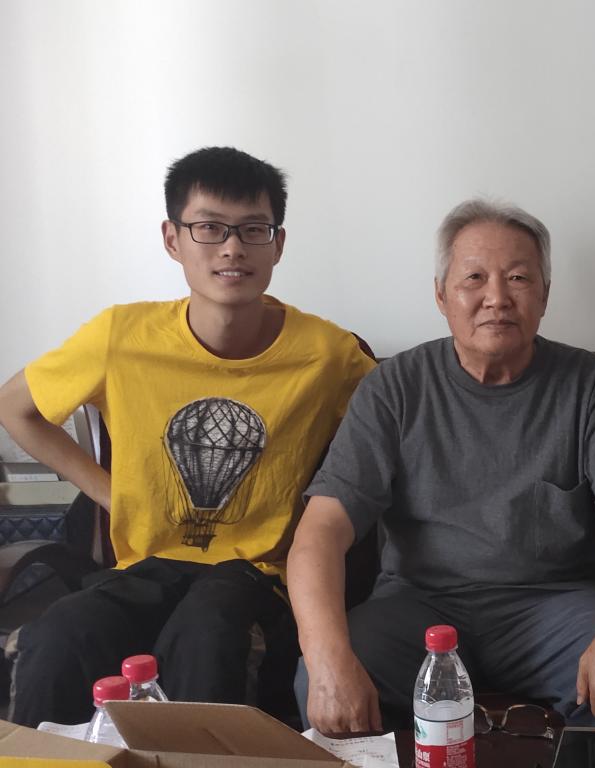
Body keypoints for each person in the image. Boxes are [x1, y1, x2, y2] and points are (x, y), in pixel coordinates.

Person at [0, 146, 375, 727]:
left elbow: (399, 425)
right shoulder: (121, 336)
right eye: (209, 228)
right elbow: (15, 407)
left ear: (277, 244)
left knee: (207, 632)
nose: (232, 248)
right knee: (58, 635)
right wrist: (111, 492)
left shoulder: (328, 354)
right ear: (172, 239)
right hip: (144, 566)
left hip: (257, 575)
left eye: (253, 229)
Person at [290, 198, 595, 734]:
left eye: (518, 278)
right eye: (474, 278)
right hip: (417, 607)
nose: (497, 298)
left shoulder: (587, 385)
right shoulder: (394, 388)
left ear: (544, 295)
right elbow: (322, 530)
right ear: (441, 295)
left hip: (555, 605)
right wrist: (326, 657)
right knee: (319, 677)